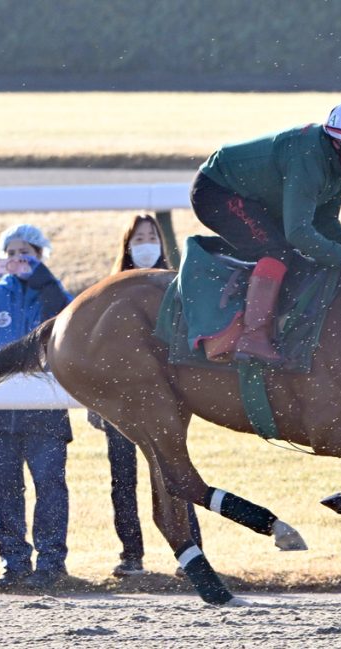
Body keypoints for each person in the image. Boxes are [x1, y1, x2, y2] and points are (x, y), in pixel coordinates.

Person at [189, 100, 341, 364]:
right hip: (217, 190)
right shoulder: (308, 160)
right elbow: (299, 233)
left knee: (290, 252)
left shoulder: (338, 165)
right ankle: (253, 337)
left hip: (251, 195)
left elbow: (325, 224)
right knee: (277, 250)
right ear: (336, 142)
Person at [0, 224, 74, 590]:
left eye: (28, 253)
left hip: (46, 404)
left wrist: (42, 278)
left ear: (40, 257)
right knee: (5, 488)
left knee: (50, 485)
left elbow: (64, 317)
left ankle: (52, 563)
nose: (18, 259)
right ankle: (14, 564)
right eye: (12, 252)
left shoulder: (51, 289)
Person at [86, 214, 202, 577]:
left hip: (165, 404)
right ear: (127, 245)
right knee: (123, 480)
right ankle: (131, 555)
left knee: (175, 475)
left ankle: (192, 552)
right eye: (139, 238)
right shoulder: (107, 292)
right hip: (120, 405)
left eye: (152, 236)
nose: (147, 243)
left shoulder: (177, 288)